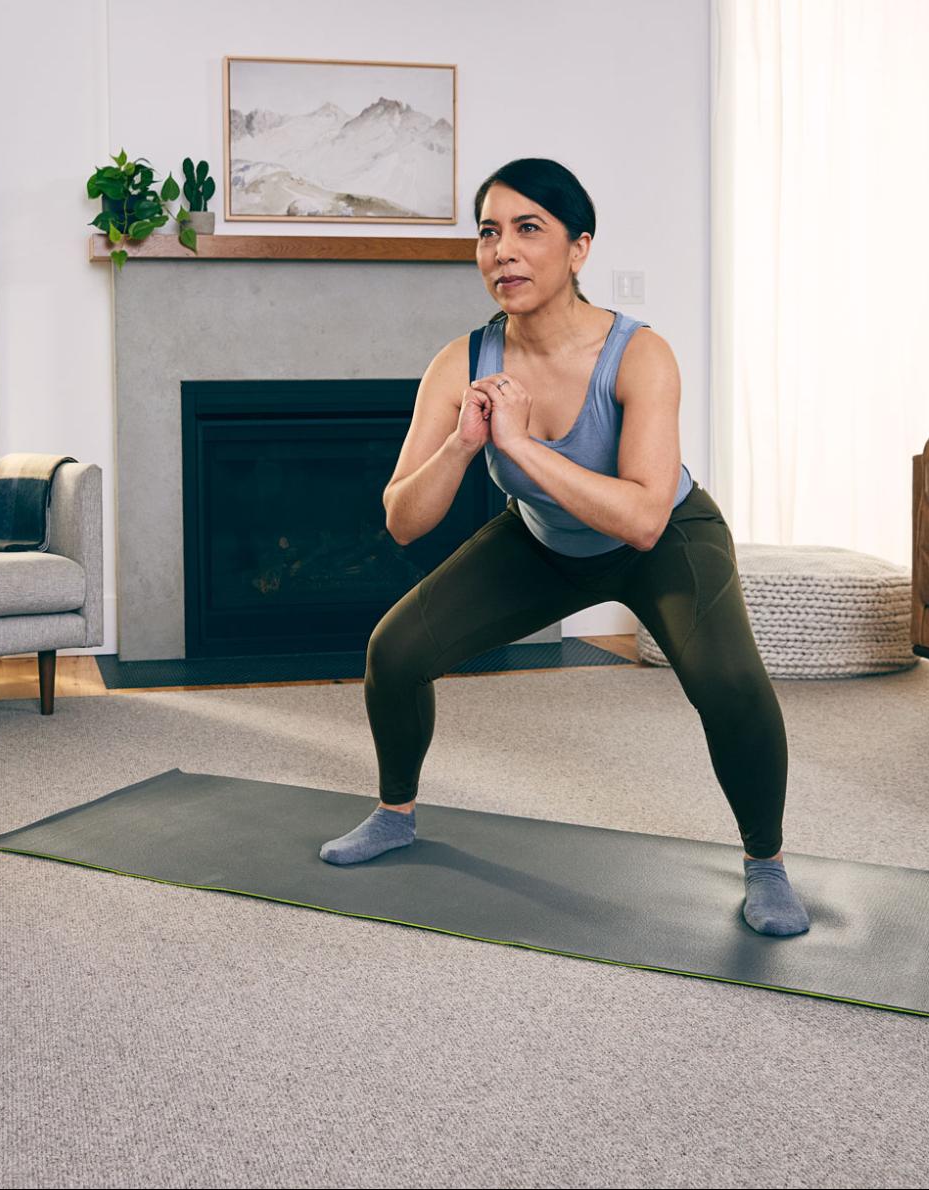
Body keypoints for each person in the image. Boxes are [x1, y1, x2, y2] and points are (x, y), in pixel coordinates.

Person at [317, 157, 809, 937]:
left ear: (578, 248)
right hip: (543, 537)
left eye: (527, 229)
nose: (501, 251)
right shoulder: (461, 362)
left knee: (726, 680)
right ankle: (393, 814)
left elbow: (644, 517)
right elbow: (403, 520)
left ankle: (767, 864)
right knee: (395, 650)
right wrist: (460, 446)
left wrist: (518, 446)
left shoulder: (639, 353)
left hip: (666, 537)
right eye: (487, 232)